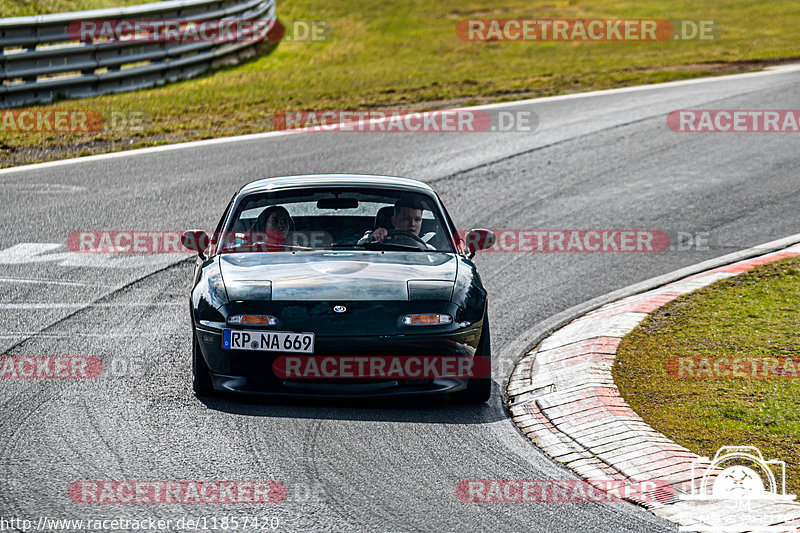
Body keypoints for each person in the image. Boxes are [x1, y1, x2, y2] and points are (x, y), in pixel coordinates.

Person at [359, 197, 432, 248]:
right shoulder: (376, 243)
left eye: (417, 219)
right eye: (406, 219)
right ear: (394, 221)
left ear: (421, 221)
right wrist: (372, 238)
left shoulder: (429, 251)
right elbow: (358, 249)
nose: (412, 224)